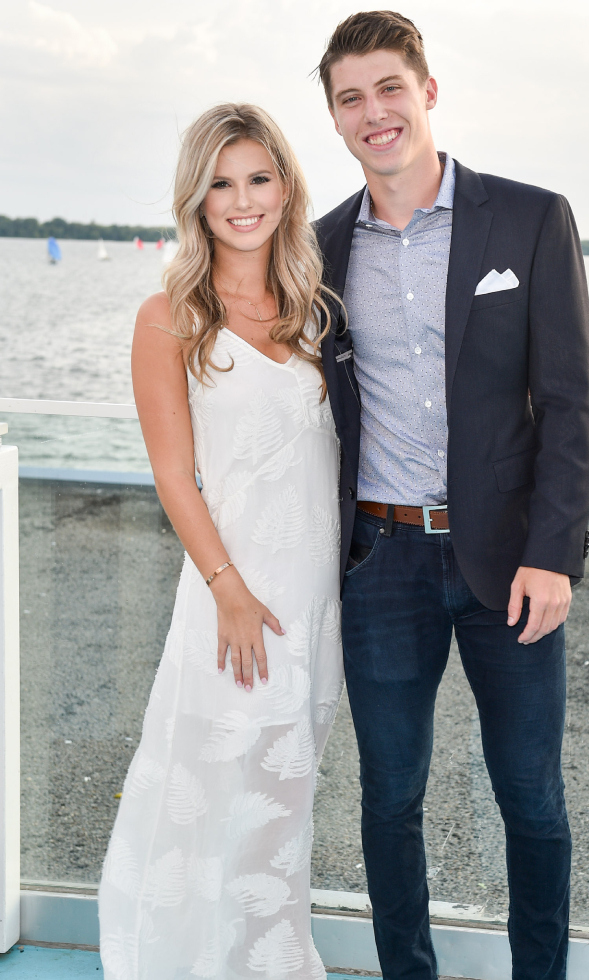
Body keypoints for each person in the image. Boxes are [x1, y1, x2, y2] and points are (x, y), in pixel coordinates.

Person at [314, 12, 589, 980]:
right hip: (380, 562)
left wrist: (553, 552)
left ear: (425, 93)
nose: (373, 111)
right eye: (350, 97)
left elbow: (567, 405)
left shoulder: (526, 218)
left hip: (510, 561)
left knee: (530, 796)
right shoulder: (315, 250)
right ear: (336, 119)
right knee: (388, 795)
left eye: (387, 87)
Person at [97, 103, 343, 979]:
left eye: (259, 178)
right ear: (197, 201)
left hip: (315, 603)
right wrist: (227, 589)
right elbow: (173, 473)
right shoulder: (169, 315)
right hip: (229, 597)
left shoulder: (317, 306)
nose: (243, 201)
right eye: (221, 184)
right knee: (206, 793)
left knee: (280, 805)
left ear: (286, 185)